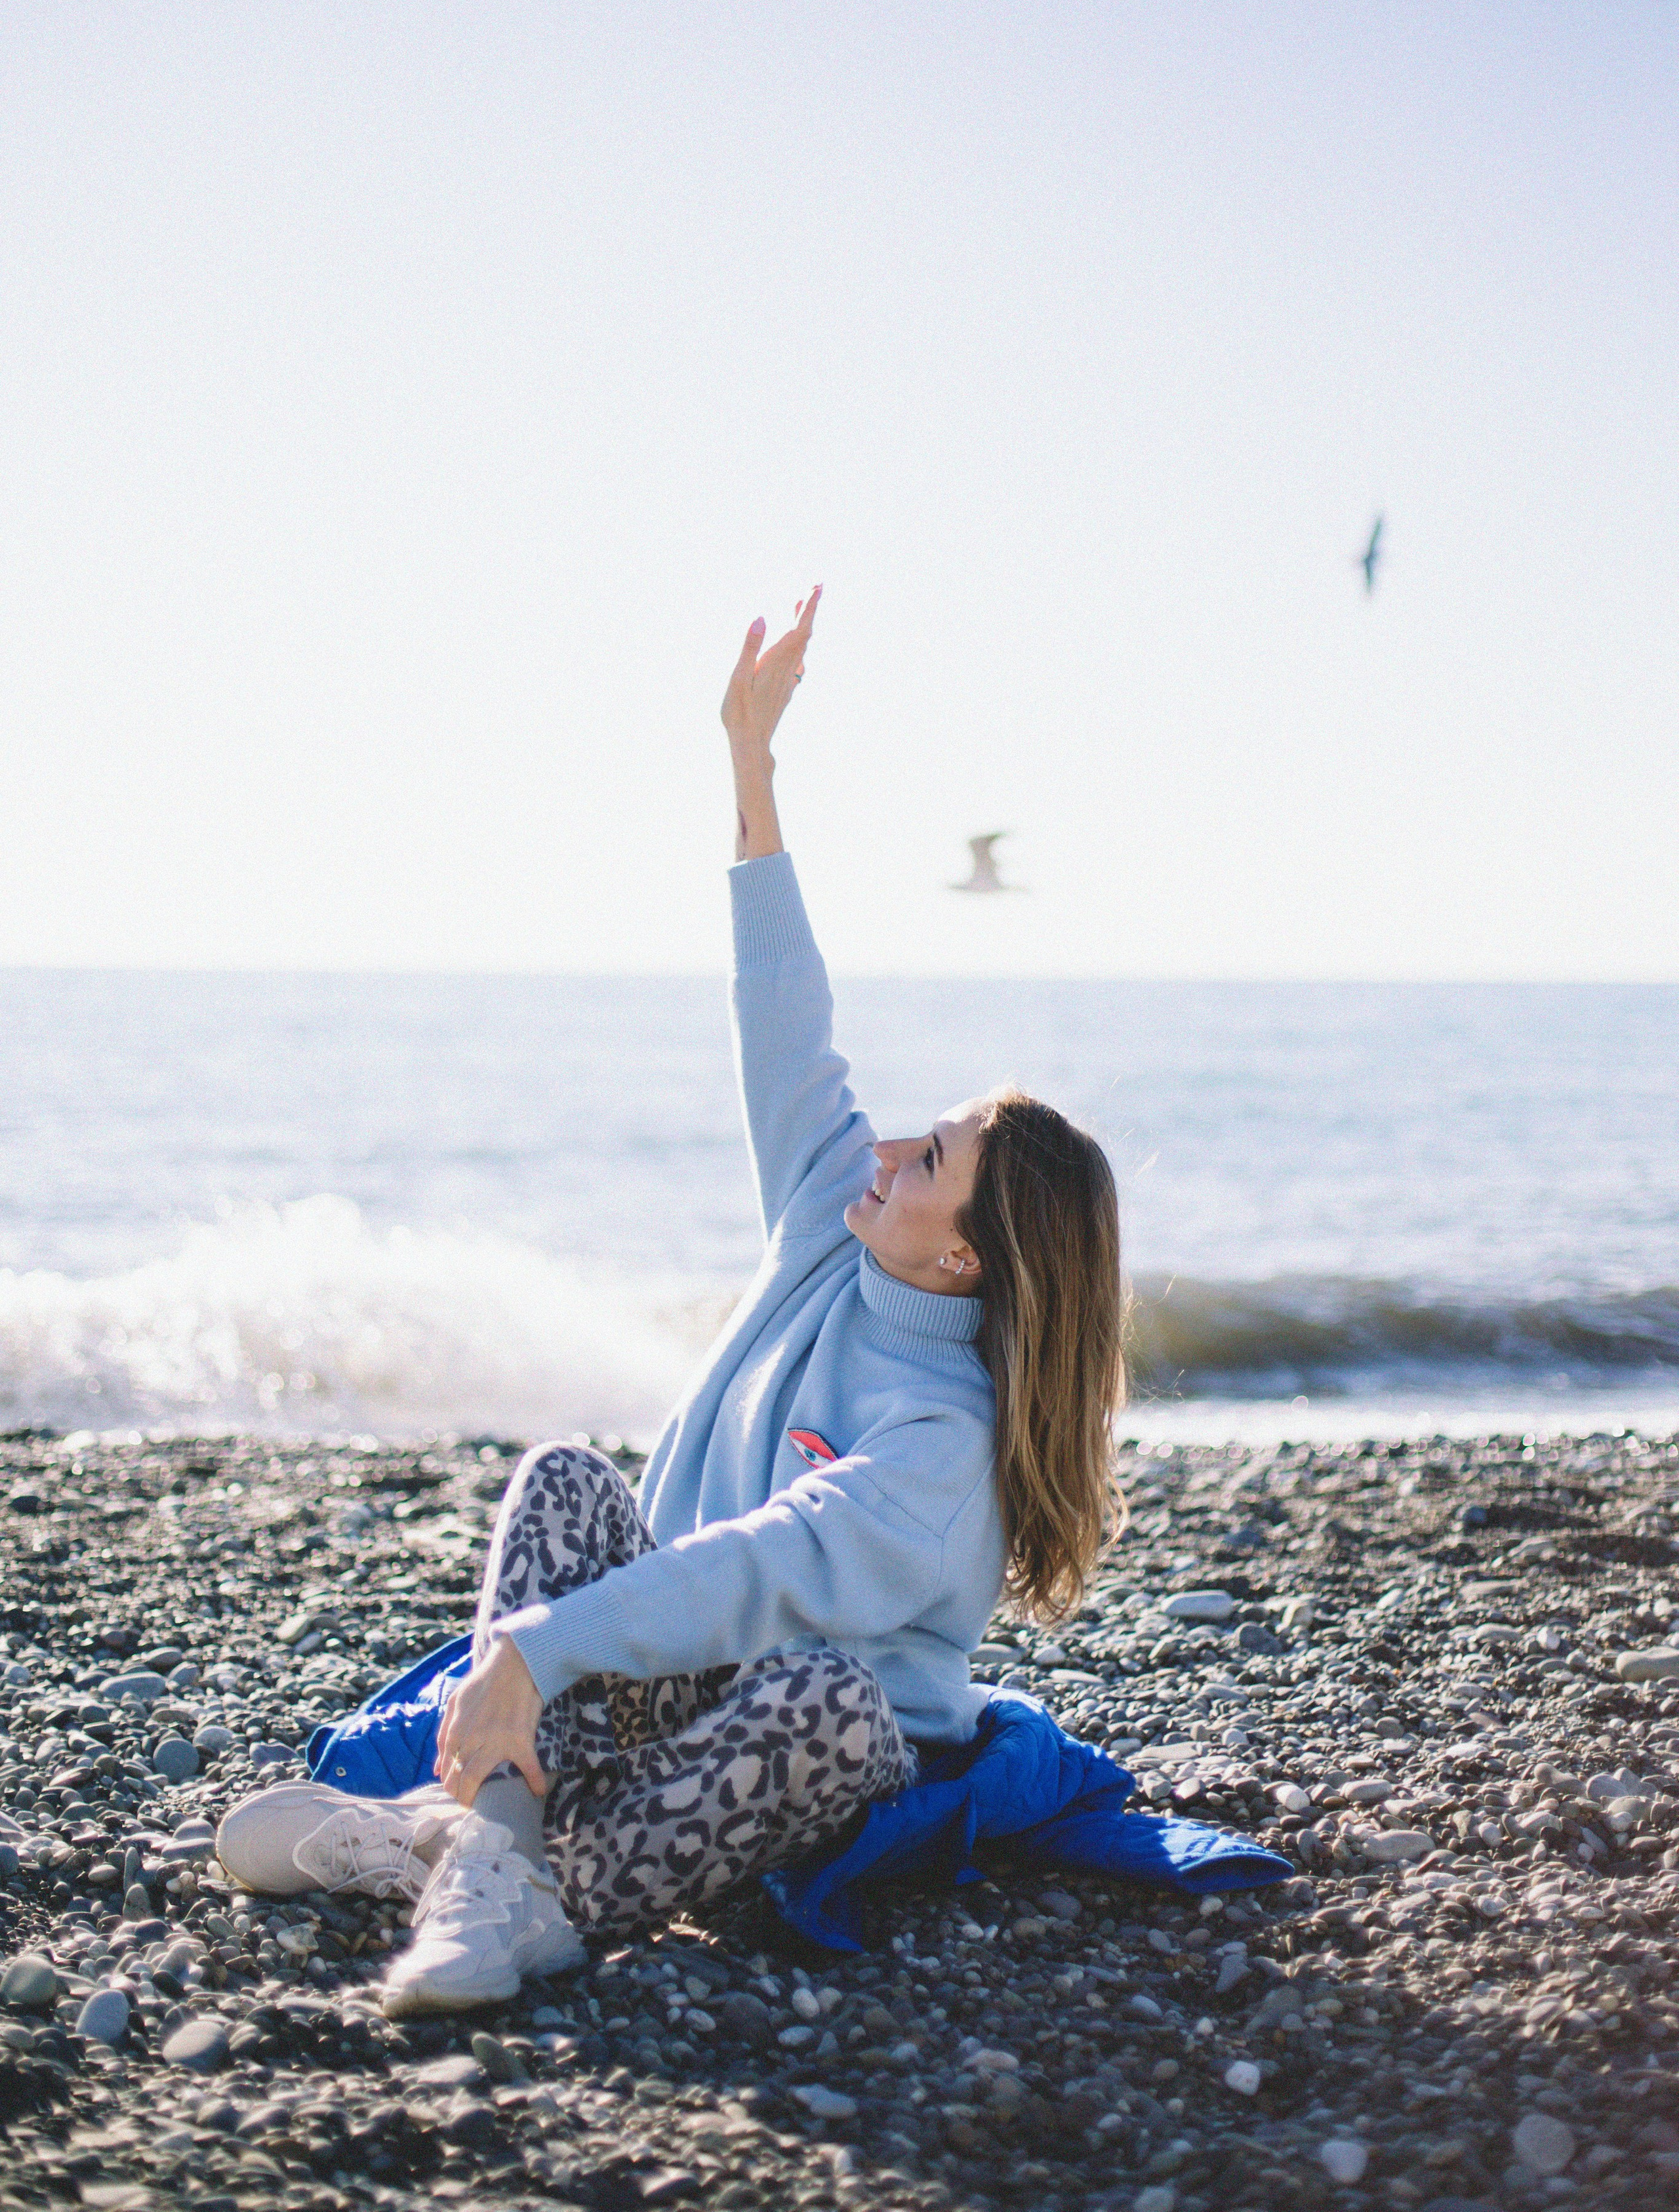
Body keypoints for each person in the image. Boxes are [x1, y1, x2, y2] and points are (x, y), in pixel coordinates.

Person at [216, 591, 1125, 2013]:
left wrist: (529, 1650)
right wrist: (749, 767)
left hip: (790, 1735)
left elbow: (759, 1565)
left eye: (929, 1159)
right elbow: (782, 1013)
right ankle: (482, 1858)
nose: (886, 1146)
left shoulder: (940, 1448)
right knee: (569, 1480)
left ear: (965, 1259)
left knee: (831, 1708)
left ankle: (505, 1891)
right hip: (660, 1682)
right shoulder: (832, 1229)